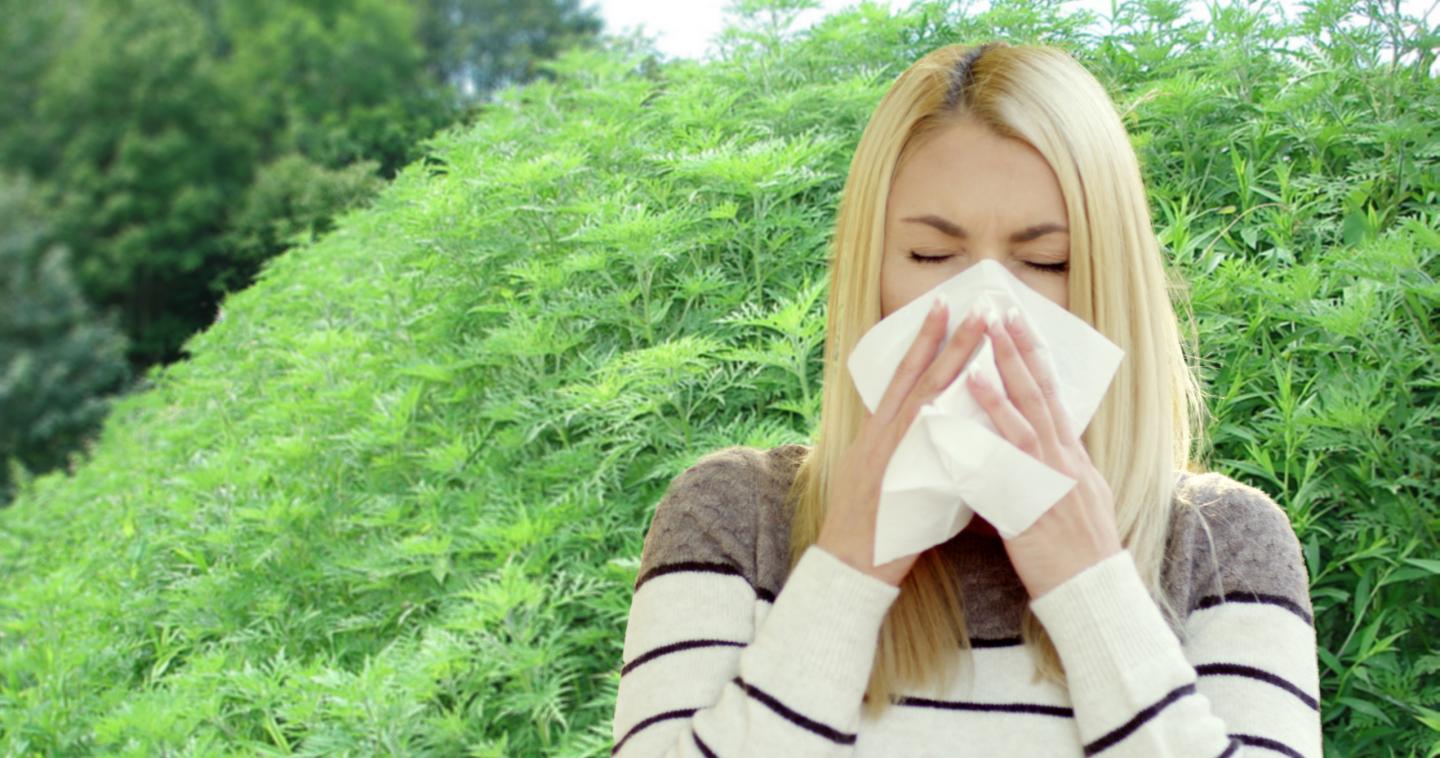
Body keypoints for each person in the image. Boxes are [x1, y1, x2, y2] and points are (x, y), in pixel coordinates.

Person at [611, 41, 1321, 757]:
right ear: (873, 271)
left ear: (1109, 282)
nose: (986, 311)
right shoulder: (736, 521)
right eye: (930, 256)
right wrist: (847, 570)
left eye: (1047, 262)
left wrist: (1092, 592)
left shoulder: (1219, 547)